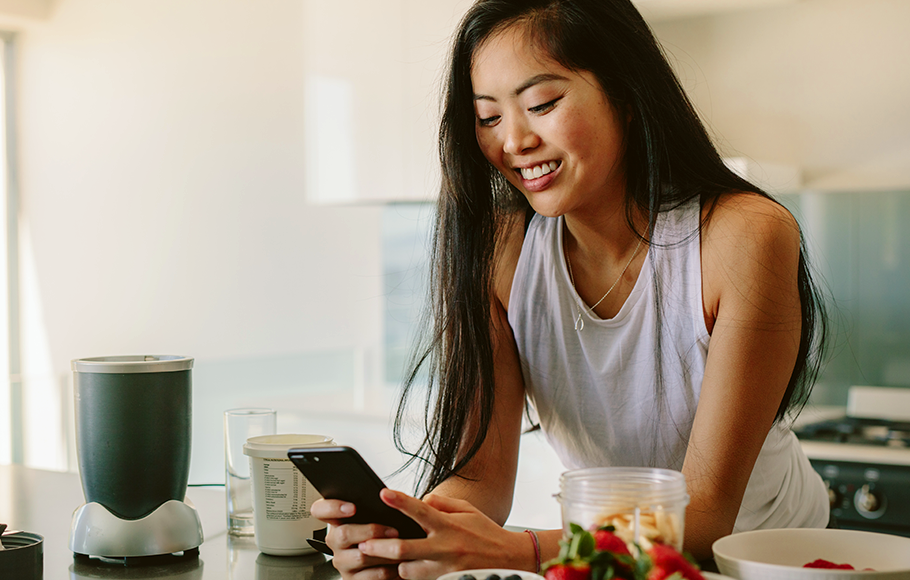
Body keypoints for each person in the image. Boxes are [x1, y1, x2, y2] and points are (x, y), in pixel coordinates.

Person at [310, 1, 830, 578]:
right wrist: (413, 531)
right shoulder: (500, 250)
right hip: (613, 564)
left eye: (542, 104)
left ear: (627, 95)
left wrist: (515, 550)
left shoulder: (742, 236)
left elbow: (706, 517)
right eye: (487, 118)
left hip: (767, 561)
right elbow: (479, 480)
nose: (514, 141)